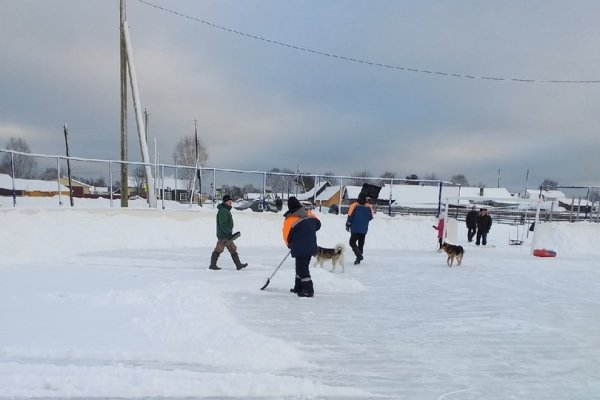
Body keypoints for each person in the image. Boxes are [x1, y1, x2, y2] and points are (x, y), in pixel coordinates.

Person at [282, 196, 321, 297]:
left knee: (302, 268)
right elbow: (318, 224)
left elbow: (286, 236)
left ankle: (308, 290)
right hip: (311, 245)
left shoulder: (290, 219)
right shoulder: (309, 213)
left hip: (300, 247)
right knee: (300, 267)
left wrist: (290, 244)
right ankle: (298, 287)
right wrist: (307, 232)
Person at [209, 195, 248, 270]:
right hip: (224, 236)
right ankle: (212, 265)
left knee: (232, 249)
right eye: (230, 201)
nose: (231, 202)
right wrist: (228, 233)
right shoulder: (223, 211)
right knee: (218, 250)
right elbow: (223, 224)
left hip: (226, 235)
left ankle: (238, 265)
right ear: (226, 201)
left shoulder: (225, 210)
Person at [346, 193, 374, 265]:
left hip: (355, 228)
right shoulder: (369, 207)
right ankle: (358, 259)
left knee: (352, 242)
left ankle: (359, 256)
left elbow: (350, 216)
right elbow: (371, 217)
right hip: (364, 229)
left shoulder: (354, 205)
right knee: (361, 243)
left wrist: (348, 225)